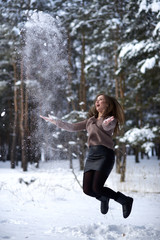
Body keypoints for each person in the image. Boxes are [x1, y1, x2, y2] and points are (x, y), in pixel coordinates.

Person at [40, 93, 133, 218]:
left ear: (108, 104)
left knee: (97, 187)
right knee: (88, 190)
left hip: (105, 154)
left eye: (101, 99)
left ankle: (125, 200)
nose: (97, 101)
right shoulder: (90, 120)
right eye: (96, 99)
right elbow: (72, 127)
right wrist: (56, 122)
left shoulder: (112, 119)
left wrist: (106, 122)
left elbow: (106, 126)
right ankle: (104, 198)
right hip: (92, 154)